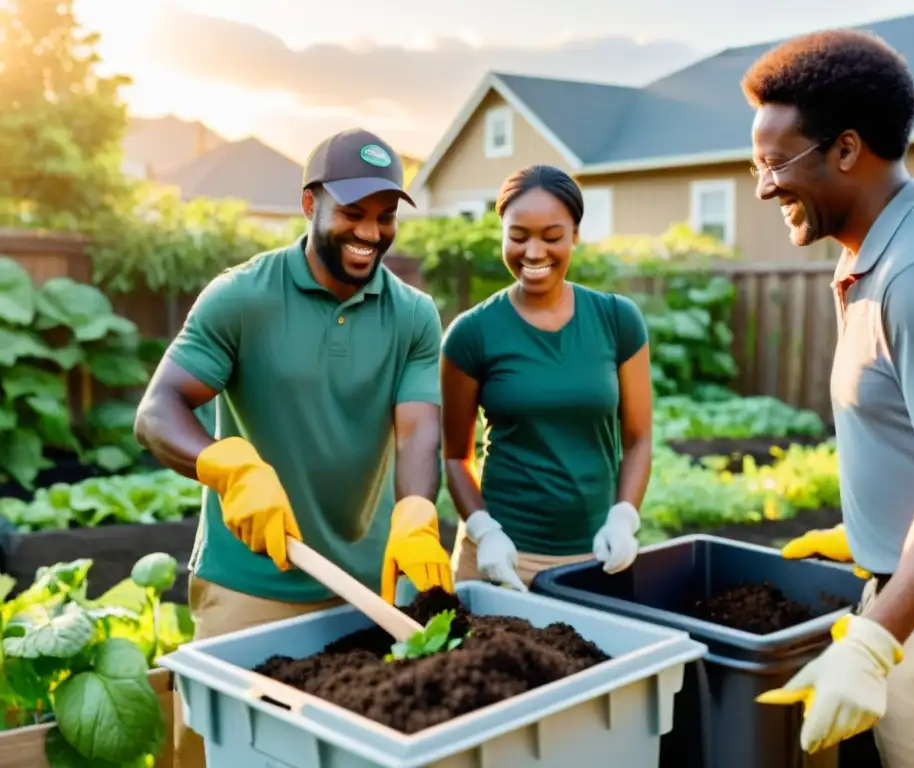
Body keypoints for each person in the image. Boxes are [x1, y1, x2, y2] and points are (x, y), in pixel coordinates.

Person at [741, 29, 914, 766]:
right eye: (756, 162)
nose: (764, 184)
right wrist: (871, 533)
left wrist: (871, 642)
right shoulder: (882, 256)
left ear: (846, 150)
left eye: (776, 163)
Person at [134, 128, 454, 768]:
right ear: (310, 204)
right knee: (216, 748)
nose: (371, 232)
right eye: (353, 214)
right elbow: (158, 409)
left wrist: (417, 511)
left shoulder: (414, 315)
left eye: (386, 217)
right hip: (251, 578)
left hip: (365, 584)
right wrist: (229, 467)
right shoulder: (243, 298)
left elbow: (418, 427)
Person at [440, 164, 653, 591]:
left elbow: (638, 439)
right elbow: (454, 457)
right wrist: (485, 531)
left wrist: (623, 518)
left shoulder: (617, 320)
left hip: (595, 558)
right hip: (501, 560)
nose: (533, 253)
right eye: (518, 237)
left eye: (551, 237)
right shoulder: (472, 333)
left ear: (574, 235)